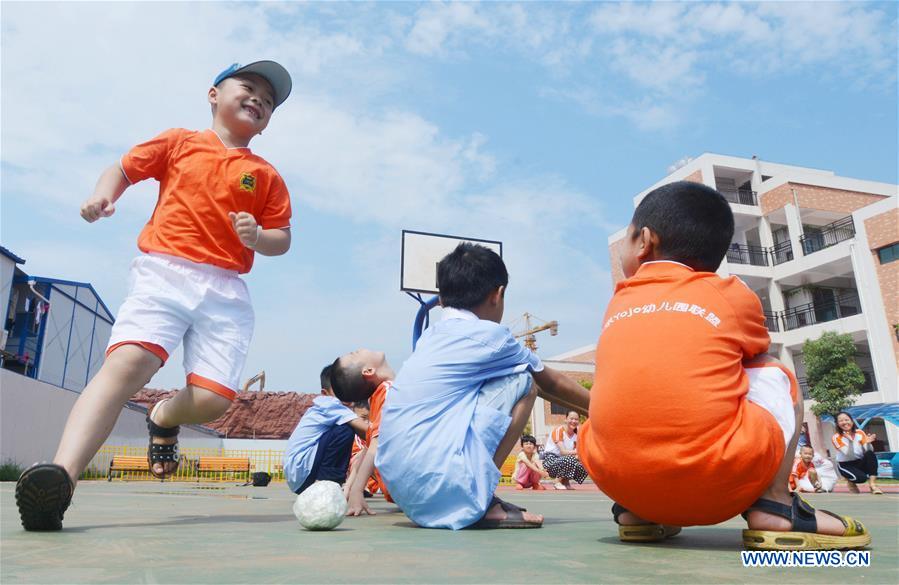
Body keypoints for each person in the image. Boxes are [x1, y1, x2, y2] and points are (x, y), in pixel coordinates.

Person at [15, 61, 294, 531]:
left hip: (225, 290)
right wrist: (103, 196)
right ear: (213, 94)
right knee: (128, 366)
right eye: (249, 88)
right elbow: (122, 168)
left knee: (211, 402)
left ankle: (163, 414)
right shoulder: (179, 142)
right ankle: (60, 480)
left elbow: (282, 237)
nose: (258, 101)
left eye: (268, 101)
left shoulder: (264, 175)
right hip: (165, 271)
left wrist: (257, 239)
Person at [577, 181, 870, 550]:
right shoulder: (730, 293)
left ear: (644, 241)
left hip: (618, 480)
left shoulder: (618, 301)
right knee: (773, 371)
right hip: (714, 481)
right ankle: (774, 506)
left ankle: (640, 511)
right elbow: (753, 357)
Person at [374, 243, 591, 530]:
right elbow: (549, 381)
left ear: (441, 298)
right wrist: (607, 410)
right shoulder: (490, 336)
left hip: (403, 492)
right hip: (441, 490)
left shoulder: (431, 337)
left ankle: (467, 492)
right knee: (524, 382)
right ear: (497, 294)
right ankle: (481, 498)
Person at [283, 365, 370, 494]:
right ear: (325, 393)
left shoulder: (320, 407)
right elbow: (367, 430)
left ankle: (329, 481)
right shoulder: (331, 404)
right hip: (302, 471)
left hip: (298, 477)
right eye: (340, 391)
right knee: (345, 430)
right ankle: (328, 482)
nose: (346, 395)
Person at [329, 349, 396, 513]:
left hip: (394, 490)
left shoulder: (376, 401)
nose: (358, 350)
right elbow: (376, 443)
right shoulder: (388, 391)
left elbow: (365, 451)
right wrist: (357, 491)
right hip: (404, 484)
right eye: (354, 354)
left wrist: (350, 487)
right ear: (368, 371)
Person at [832, 411, 883, 495]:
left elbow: (869, 450)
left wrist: (868, 443)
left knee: (870, 454)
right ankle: (851, 482)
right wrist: (850, 441)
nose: (844, 422)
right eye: (841, 421)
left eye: (846, 420)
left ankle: (873, 485)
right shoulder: (836, 437)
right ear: (837, 424)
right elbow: (849, 454)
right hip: (846, 465)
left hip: (859, 461)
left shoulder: (860, 432)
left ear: (851, 421)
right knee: (861, 479)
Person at [543, 411, 589, 490]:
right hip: (551, 460)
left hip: (565, 460)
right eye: (571, 419)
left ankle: (565, 481)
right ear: (566, 419)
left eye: (576, 419)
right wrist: (579, 452)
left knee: (585, 463)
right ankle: (557, 481)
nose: (574, 421)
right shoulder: (558, 431)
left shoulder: (578, 433)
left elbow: (576, 453)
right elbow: (563, 452)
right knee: (570, 459)